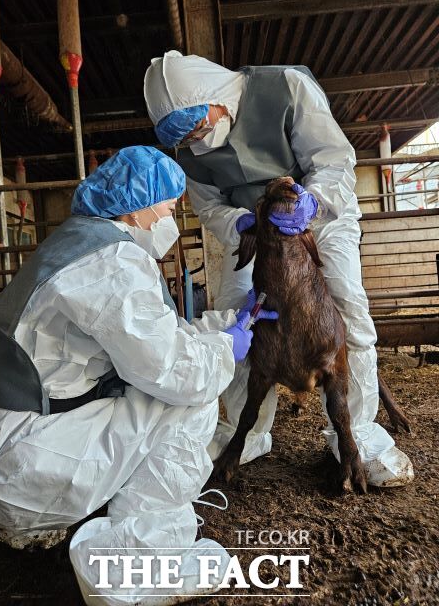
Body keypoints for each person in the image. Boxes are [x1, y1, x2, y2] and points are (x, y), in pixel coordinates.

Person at [0, 145, 278, 605]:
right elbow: (175, 371)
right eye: (169, 209)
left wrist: (226, 324)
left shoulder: (79, 244)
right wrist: (227, 350)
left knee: (158, 386)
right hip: (21, 461)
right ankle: (141, 562)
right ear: (139, 208)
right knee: (190, 402)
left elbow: (154, 336)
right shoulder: (113, 263)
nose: (170, 221)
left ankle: (29, 526)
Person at [144, 51, 414, 488]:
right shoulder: (191, 154)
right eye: (183, 137)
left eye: (197, 124)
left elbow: (333, 160)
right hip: (253, 232)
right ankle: (245, 432)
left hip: (317, 215)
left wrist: (312, 202)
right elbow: (211, 208)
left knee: (347, 306)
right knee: (236, 311)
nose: (195, 140)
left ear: (213, 96)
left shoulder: (286, 87)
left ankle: (356, 434)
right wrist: (244, 223)